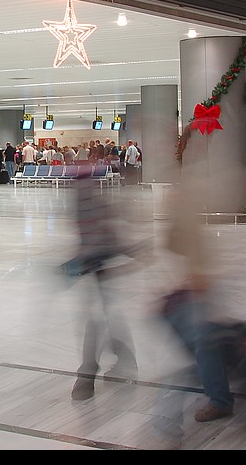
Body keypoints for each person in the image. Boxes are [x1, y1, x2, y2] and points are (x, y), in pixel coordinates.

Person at [154, 183, 234, 444]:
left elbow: (190, 250)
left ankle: (219, 400)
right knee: (199, 344)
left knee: (202, 345)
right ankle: (214, 386)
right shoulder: (184, 218)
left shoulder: (188, 217)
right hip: (194, 286)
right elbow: (173, 246)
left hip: (201, 287)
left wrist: (198, 280)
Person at [65, 169, 138, 401]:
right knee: (103, 315)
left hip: (99, 266)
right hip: (97, 266)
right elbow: (98, 235)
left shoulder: (85, 204)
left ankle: (88, 373)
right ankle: (122, 360)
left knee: (97, 318)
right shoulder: (87, 203)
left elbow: (101, 235)